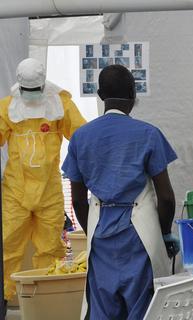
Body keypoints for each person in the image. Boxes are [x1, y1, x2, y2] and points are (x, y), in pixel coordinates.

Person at [62, 64, 179, 319]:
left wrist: (93, 228)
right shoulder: (148, 134)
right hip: (140, 236)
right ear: (134, 95)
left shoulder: (81, 137)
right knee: (144, 309)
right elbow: (167, 198)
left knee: (103, 310)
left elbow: (79, 201)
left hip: (101, 235)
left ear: (100, 94)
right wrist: (165, 233)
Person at [1, 58, 86, 312]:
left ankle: (48, 305)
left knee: (50, 249)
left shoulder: (60, 104)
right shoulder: (7, 108)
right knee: (7, 247)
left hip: (49, 192)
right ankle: (3, 302)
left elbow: (82, 136)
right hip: (16, 191)